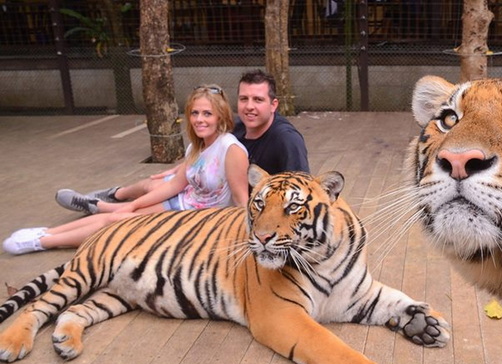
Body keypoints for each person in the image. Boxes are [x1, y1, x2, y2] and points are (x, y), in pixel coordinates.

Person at [3, 85, 248, 255]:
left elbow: (240, 201)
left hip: (198, 221)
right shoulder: (197, 146)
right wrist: (133, 204)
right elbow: (175, 185)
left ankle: (43, 243)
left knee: (116, 223)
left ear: (221, 116)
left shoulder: (230, 149)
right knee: (119, 211)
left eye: (207, 113)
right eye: (195, 113)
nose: (199, 119)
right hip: (184, 203)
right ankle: (45, 231)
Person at [54, 70, 309, 214]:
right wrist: (183, 167)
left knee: (151, 201)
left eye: (258, 100)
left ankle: (103, 208)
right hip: (206, 186)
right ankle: (113, 194)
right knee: (153, 181)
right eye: (244, 99)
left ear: (274, 104)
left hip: (224, 201)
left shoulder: (286, 140)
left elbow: (303, 189)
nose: (249, 107)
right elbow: (209, 152)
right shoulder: (240, 123)